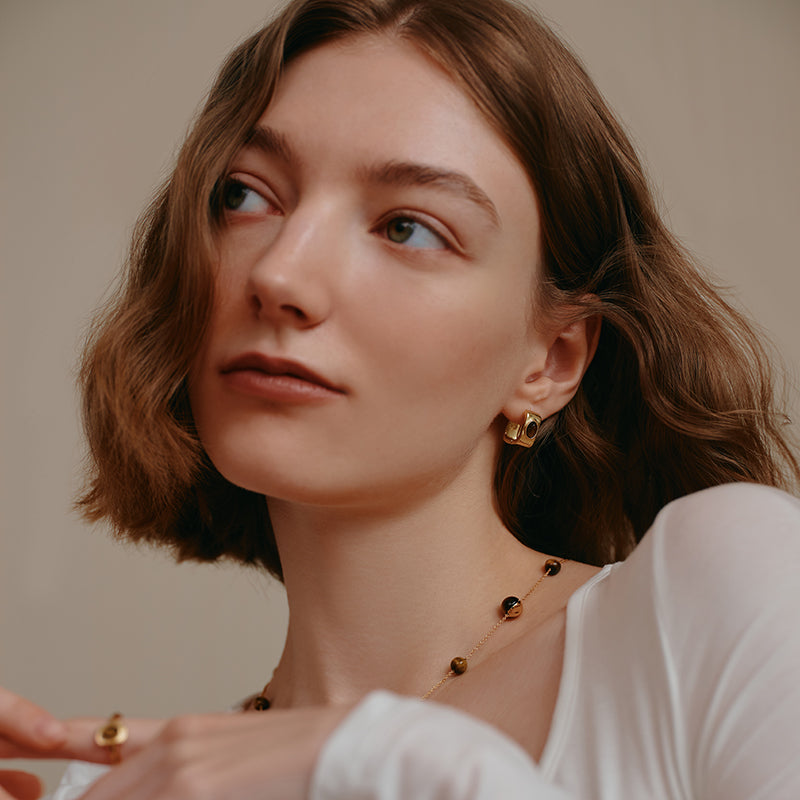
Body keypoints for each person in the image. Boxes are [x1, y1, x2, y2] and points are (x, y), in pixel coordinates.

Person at [2, 0, 799, 797]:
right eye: (245, 196)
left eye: (408, 228)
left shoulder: (719, 601)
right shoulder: (121, 790)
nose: (280, 275)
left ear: (550, 361)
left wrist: (424, 771)